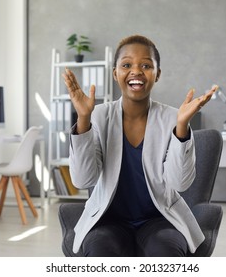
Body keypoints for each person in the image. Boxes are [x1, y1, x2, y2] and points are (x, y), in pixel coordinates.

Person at [62, 34, 217, 257]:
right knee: (99, 252)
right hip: (108, 220)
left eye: (146, 65)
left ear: (157, 74)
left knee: (166, 253)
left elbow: (180, 183)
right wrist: (84, 119)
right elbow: (83, 180)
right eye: (126, 65)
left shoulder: (174, 117)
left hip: (161, 219)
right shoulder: (98, 115)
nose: (136, 71)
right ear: (115, 73)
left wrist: (182, 126)